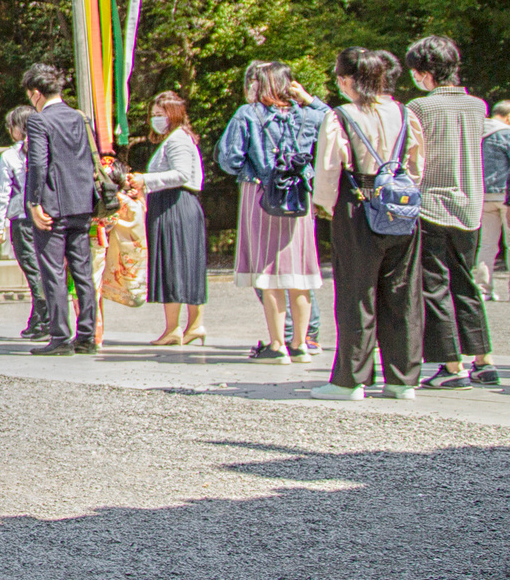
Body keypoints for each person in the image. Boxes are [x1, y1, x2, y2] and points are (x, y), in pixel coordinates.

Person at [311, 47, 427, 401]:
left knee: (357, 292)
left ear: (348, 80)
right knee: (402, 292)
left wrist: (324, 206)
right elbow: (417, 164)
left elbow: (329, 168)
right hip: (401, 207)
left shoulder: (341, 116)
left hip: (359, 204)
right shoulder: (405, 113)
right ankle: (402, 379)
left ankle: (351, 379)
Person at [215, 62, 327, 362]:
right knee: (298, 271)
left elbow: (228, 158)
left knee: (269, 270)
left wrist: (252, 170)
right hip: (299, 195)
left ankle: (277, 345)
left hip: (262, 193)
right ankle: (301, 343)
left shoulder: (248, 114)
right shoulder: (305, 115)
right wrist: (308, 98)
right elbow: (333, 119)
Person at [403, 37, 494, 389]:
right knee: (466, 281)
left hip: (432, 203)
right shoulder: (478, 105)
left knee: (434, 285)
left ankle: (451, 364)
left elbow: (415, 157)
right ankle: (483, 359)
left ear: (425, 74)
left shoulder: (419, 108)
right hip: (470, 204)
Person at [23, 62, 100, 355]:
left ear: (36, 93)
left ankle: (60, 336)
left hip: (52, 205)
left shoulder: (39, 121)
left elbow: (38, 163)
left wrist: (34, 202)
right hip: (82, 203)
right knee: (83, 271)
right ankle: (87, 335)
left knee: (54, 271)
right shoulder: (80, 117)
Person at [140, 90, 209, 347]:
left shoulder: (177, 140)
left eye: (160, 114)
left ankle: (173, 328)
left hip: (175, 205)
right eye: (153, 115)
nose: (155, 119)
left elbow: (180, 174)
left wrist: (144, 180)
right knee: (187, 265)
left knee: (174, 265)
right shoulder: (177, 138)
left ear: (174, 114)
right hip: (177, 204)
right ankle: (194, 324)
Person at [0, 103, 47, 338]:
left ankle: (43, 316)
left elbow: (3, 193)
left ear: (19, 128)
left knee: (32, 268)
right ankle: (42, 316)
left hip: (23, 217)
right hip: (47, 215)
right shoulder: (47, 149)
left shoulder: (11, 156)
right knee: (47, 267)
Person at [481, 99, 510, 300]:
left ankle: (484, 289)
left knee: (487, 244)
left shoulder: (478, 133)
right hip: (505, 195)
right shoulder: (507, 134)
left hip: (483, 195)